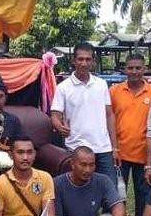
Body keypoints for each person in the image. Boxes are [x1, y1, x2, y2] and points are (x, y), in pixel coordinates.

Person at [51, 42, 119, 186]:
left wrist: (114, 147)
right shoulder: (63, 87)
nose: (84, 63)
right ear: (73, 60)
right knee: (79, 191)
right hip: (76, 148)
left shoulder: (101, 84)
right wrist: (59, 126)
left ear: (93, 61)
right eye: (80, 59)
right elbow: (55, 115)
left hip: (103, 149)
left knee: (110, 192)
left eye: (88, 59)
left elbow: (109, 115)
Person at [109, 53, 151, 216]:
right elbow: (108, 119)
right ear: (125, 69)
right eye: (130, 68)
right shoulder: (114, 91)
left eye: (138, 68)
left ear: (144, 69)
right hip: (120, 154)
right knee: (117, 195)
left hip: (144, 155)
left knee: (144, 196)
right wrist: (114, 148)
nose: (134, 71)